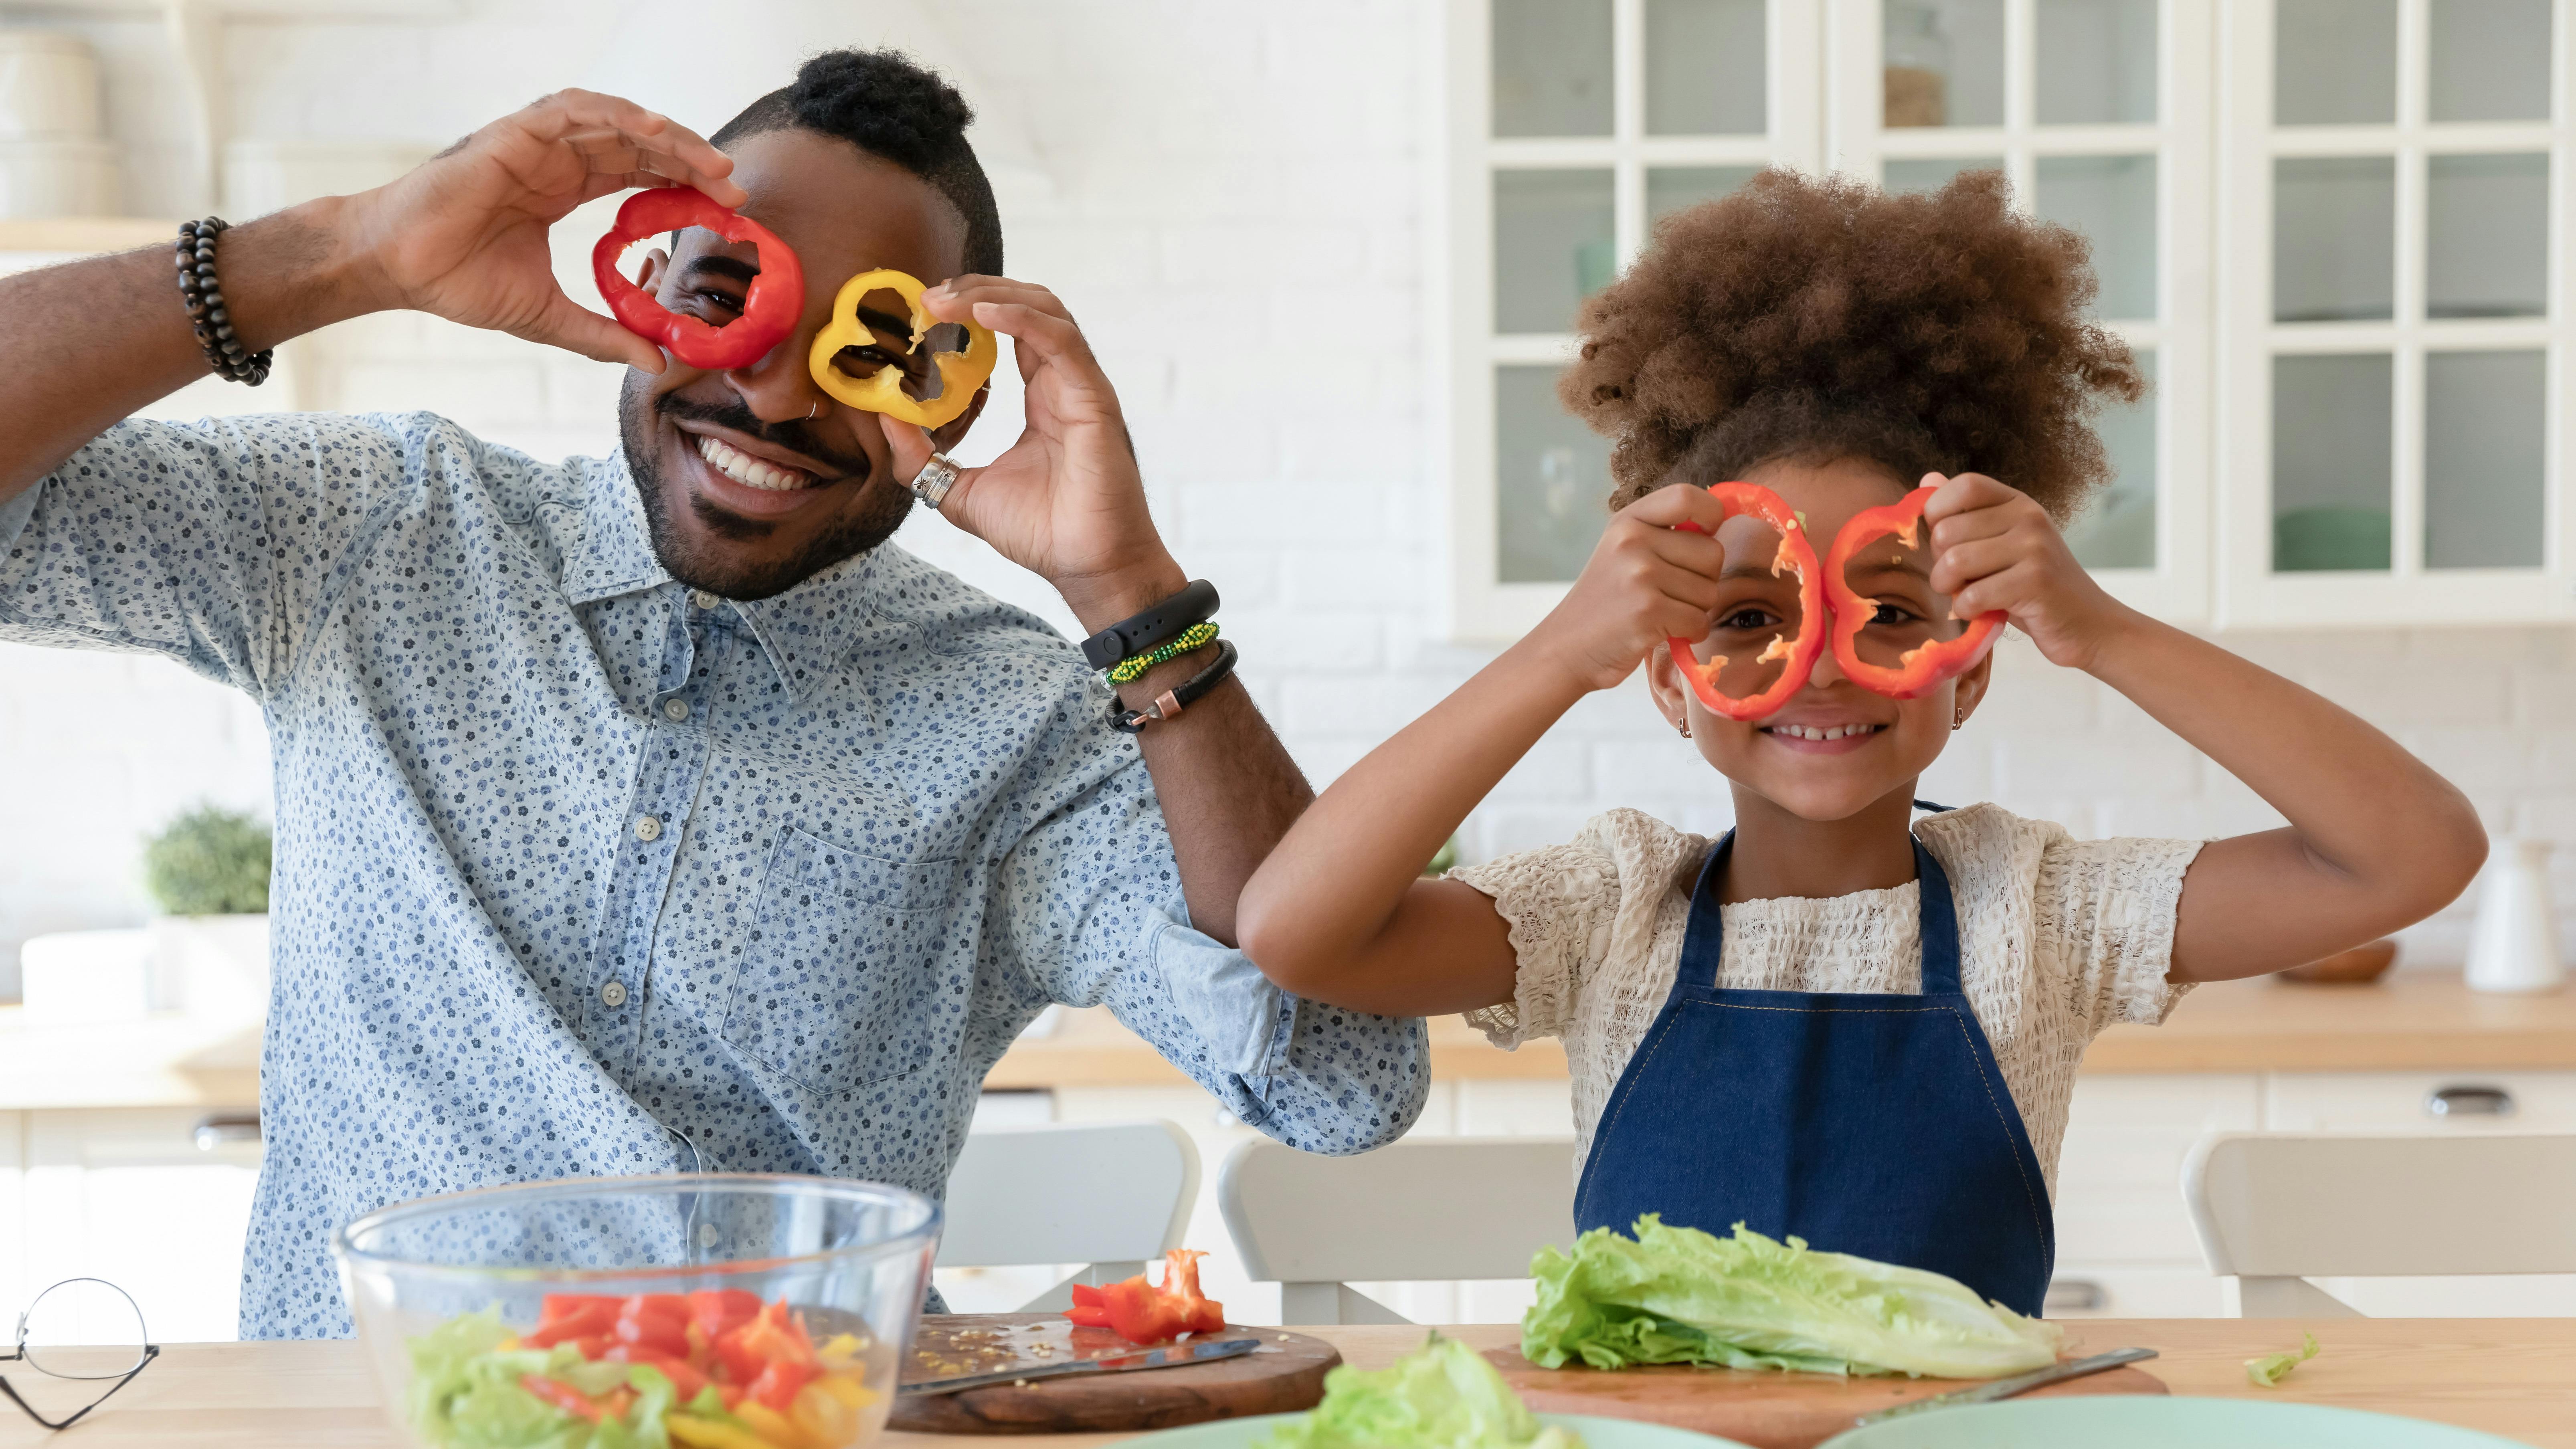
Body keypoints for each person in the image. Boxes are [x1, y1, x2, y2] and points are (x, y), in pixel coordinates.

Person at [0, 50, 1428, 1337]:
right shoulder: (378, 530)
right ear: (660, 282)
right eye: (734, 298)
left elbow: (1340, 1080)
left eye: (861, 349)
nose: (783, 399)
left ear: (953, 389)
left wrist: (1133, 596)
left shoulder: (1014, 729)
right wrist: (347, 252)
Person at [1234, 170, 2485, 1316]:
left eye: (1889, 610)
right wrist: (1558, 653)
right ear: (1671, 684)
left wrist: (2098, 628)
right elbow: (1295, 932)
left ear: (1973, 667)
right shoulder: (1606, 912)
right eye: (1745, 618)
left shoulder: (2038, 916)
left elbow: (2408, 858)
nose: (1826, 656)